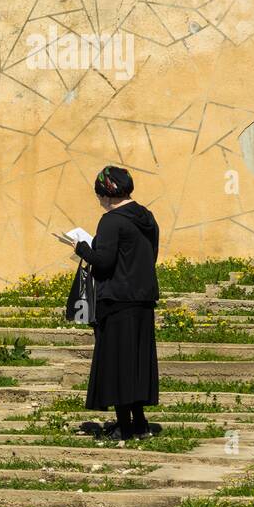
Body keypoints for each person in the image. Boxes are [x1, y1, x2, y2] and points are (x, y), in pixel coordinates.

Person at [55, 166, 161, 441]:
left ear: (107, 193)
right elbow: (149, 257)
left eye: (100, 195)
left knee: (117, 365)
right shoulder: (147, 218)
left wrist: (80, 247)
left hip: (116, 300)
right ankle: (139, 424)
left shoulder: (111, 221)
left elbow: (103, 262)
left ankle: (125, 427)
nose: (99, 201)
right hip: (142, 300)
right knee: (136, 363)